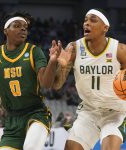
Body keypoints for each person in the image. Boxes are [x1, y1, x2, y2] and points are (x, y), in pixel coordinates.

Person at [0, 11, 59, 150]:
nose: (23, 29)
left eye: (25, 27)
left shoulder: (34, 51)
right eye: (17, 25)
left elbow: (46, 83)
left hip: (36, 114)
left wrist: (52, 61)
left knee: (30, 147)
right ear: (6, 31)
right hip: (12, 121)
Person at [52, 8, 126, 150]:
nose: (86, 23)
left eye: (93, 20)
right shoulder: (74, 48)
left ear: (105, 28)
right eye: (85, 20)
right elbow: (57, 85)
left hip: (116, 112)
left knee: (109, 147)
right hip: (89, 111)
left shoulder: (120, 51)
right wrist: (60, 65)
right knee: (71, 147)